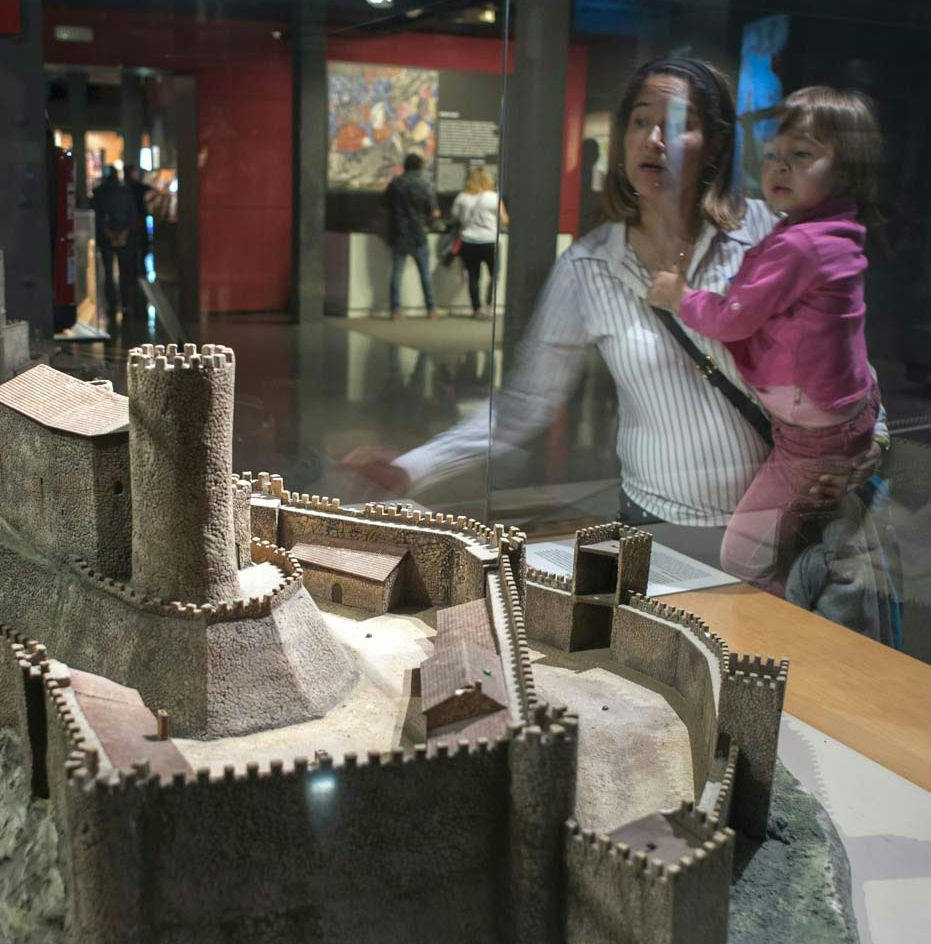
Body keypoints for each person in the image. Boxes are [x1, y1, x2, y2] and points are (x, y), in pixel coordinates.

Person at [344, 57, 885, 563]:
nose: (654, 139)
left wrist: (861, 452)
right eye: (639, 121)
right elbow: (522, 407)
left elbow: (848, 358)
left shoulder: (775, 234)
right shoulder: (589, 267)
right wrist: (412, 468)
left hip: (783, 520)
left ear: (715, 143)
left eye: (677, 124)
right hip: (657, 526)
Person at [648, 87, 883, 595]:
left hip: (812, 434)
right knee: (785, 538)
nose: (779, 168)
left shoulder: (798, 244)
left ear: (848, 167)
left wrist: (678, 296)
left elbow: (733, 320)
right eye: (774, 155)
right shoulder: (832, 233)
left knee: (744, 555)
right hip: (836, 415)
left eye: (801, 155)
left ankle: (785, 619)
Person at [382, 153, 440, 319]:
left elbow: (383, 206)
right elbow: (435, 212)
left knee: (397, 272)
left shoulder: (395, 183)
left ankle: (395, 310)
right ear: (420, 166)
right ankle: (431, 309)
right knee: (424, 273)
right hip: (419, 234)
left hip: (399, 232)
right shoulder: (424, 184)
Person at [451, 167, 509, 319]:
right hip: (490, 241)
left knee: (473, 276)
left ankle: (477, 309)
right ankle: (489, 306)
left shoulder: (462, 197)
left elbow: (455, 217)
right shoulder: (493, 197)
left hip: (468, 242)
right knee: (494, 275)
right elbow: (504, 220)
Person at [91, 165, 139, 321]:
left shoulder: (99, 193)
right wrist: (124, 232)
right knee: (125, 272)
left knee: (108, 272)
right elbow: (133, 215)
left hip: (106, 237)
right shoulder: (126, 192)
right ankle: (125, 304)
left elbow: (97, 218)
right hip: (125, 237)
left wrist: (108, 233)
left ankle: (112, 305)